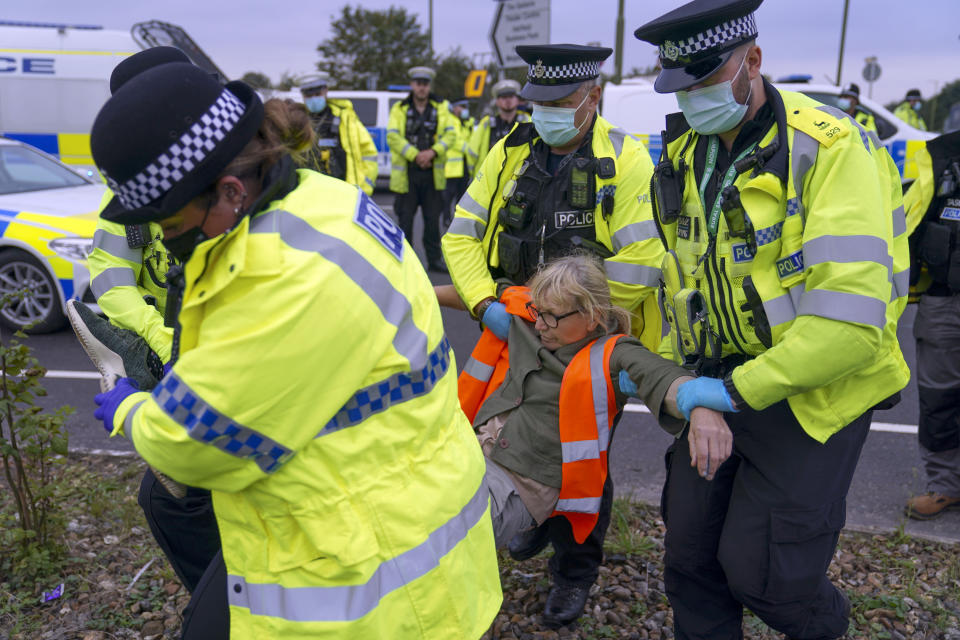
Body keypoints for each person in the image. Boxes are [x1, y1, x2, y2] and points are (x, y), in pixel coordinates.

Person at [88, 62, 502, 639]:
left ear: (230, 191)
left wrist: (130, 409)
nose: (165, 233)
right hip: (397, 500)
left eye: (169, 217)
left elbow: (198, 444)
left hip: (369, 569)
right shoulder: (322, 200)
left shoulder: (278, 279)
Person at [633, 0, 911, 637]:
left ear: (752, 61)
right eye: (683, 87)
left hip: (819, 386)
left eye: (705, 83)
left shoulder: (832, 150)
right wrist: (690, 390)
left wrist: (727, 393)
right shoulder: (685, 156)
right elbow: (681, 284)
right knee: (691, 558)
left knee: (766, 576)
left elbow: (849, 324)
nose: (695, 100)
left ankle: (826, 625)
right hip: (723, 378)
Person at [442, 43, 665, 628]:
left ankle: (574, 568)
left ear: (593, 99)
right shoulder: (511, 151)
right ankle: (526, 516)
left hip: (585, 339)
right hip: (513, 328)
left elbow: (646, 260)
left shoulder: (626, 160)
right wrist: (486, 301)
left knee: (580, 454)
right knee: (497, 426)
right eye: (538, 102)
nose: (543, 114)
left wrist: (571, 305)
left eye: (560, 103)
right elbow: (460, 237)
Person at [458, 255, 730, 562]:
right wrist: (476, 304)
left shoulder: (613, 355)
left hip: (520, 484)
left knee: (448, 529)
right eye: (537, 311)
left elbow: (661, 376)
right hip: (471, 454)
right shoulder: (532, 322)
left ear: (592, 316)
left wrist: (699, 405)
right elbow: (481, 293)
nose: (540, 324)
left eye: (552, 317)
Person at [80, 46, 220, 596]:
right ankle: (228, 603)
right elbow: (111, 272)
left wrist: (141, 413)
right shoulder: (134, 195)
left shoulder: (229, 187)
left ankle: (235, 606)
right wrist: (155, 335)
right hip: (184, 349)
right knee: (169, 496)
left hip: (220, 357)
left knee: (178, 493)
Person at [903, 130, 960, 519]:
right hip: (944, 301)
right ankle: (945, 486)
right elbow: (906, 224)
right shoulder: (941, 156)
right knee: (939, 399)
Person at [387, 66, 457, 273]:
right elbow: (392, 136)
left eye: (425, 84)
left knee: (432, 221)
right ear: (412, 85)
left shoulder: (441, 107)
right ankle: (404, 262)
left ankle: (434, 261)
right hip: (407, 175)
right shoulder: (400, 108)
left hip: (432, 175)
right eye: (418, 84)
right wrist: (415, 155)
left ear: (429, 86)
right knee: (405, 221)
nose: (421, 88)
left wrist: (432, 153)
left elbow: (451, 136)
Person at [299, 73, 379, 195]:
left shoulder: (345, 117)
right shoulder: (298, 121)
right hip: (309, 192)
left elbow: (368, 153)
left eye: (317, 94)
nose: (314, 99)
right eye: (309, 96)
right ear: (303, 97)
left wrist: (366, 185)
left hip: (343, 190)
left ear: (325, 91)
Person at [466, 78, 530, 177]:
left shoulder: (527, 121)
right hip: (489, 178)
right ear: (497, 101)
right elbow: (472, 152)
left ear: (517, 100)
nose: (508, 100)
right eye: (503, 97)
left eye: (511, 96)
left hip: (518, 179)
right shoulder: (486, 123)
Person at [442, 97, 474, 226]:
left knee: (461, 196)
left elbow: (473, 139)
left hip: (465, 165)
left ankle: (457, 219)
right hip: (453, 166)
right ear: (454, 108)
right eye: (461, 107)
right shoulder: (450, 121)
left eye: (465, 107)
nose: (464, 110)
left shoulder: (467, 123)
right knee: (448, 195)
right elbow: (454, 140)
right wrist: (469, 148)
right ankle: (446, 218)